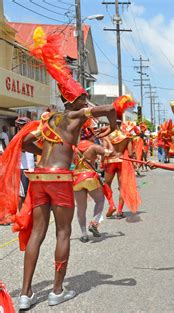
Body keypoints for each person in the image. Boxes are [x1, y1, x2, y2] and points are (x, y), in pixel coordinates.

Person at [0, 26, 118, 309]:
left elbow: (25, 141)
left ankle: (26, 294)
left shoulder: (47, 121)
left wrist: (45, 153)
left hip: (39, 177)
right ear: (74, 100)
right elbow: (109, 109)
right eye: (83, 98)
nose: (86, 101)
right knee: (63, 233)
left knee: (37, 233)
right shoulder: (74, 116)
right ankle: (56, 290)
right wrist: (112, 127)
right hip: (60, 180)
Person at [73, 125, 114, 242]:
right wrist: (106, 140)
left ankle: (83, 234)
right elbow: (110, 153)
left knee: (81, 207)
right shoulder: (94, 147)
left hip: (76, 179)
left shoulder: (74, 148)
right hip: (90, 177)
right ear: (90, 136)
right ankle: (94, 223)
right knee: (100, 200)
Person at [103, 98, 141, 219]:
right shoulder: (127, 135)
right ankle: (119, 211)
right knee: (122, 186)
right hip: (123, 162)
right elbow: (130, 153)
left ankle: (111, 205)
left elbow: (105, 151)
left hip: (110, 162)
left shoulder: (108, 134)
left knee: (107, 183)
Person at [17, 117, 36, 210]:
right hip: (23, 167)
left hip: (31, 168)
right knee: (22, 193)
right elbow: (22, 149)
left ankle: (27, 212)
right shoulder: (20, 136)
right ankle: (20, 213)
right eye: (23, 125)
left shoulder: (30, 135)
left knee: (30, 192)